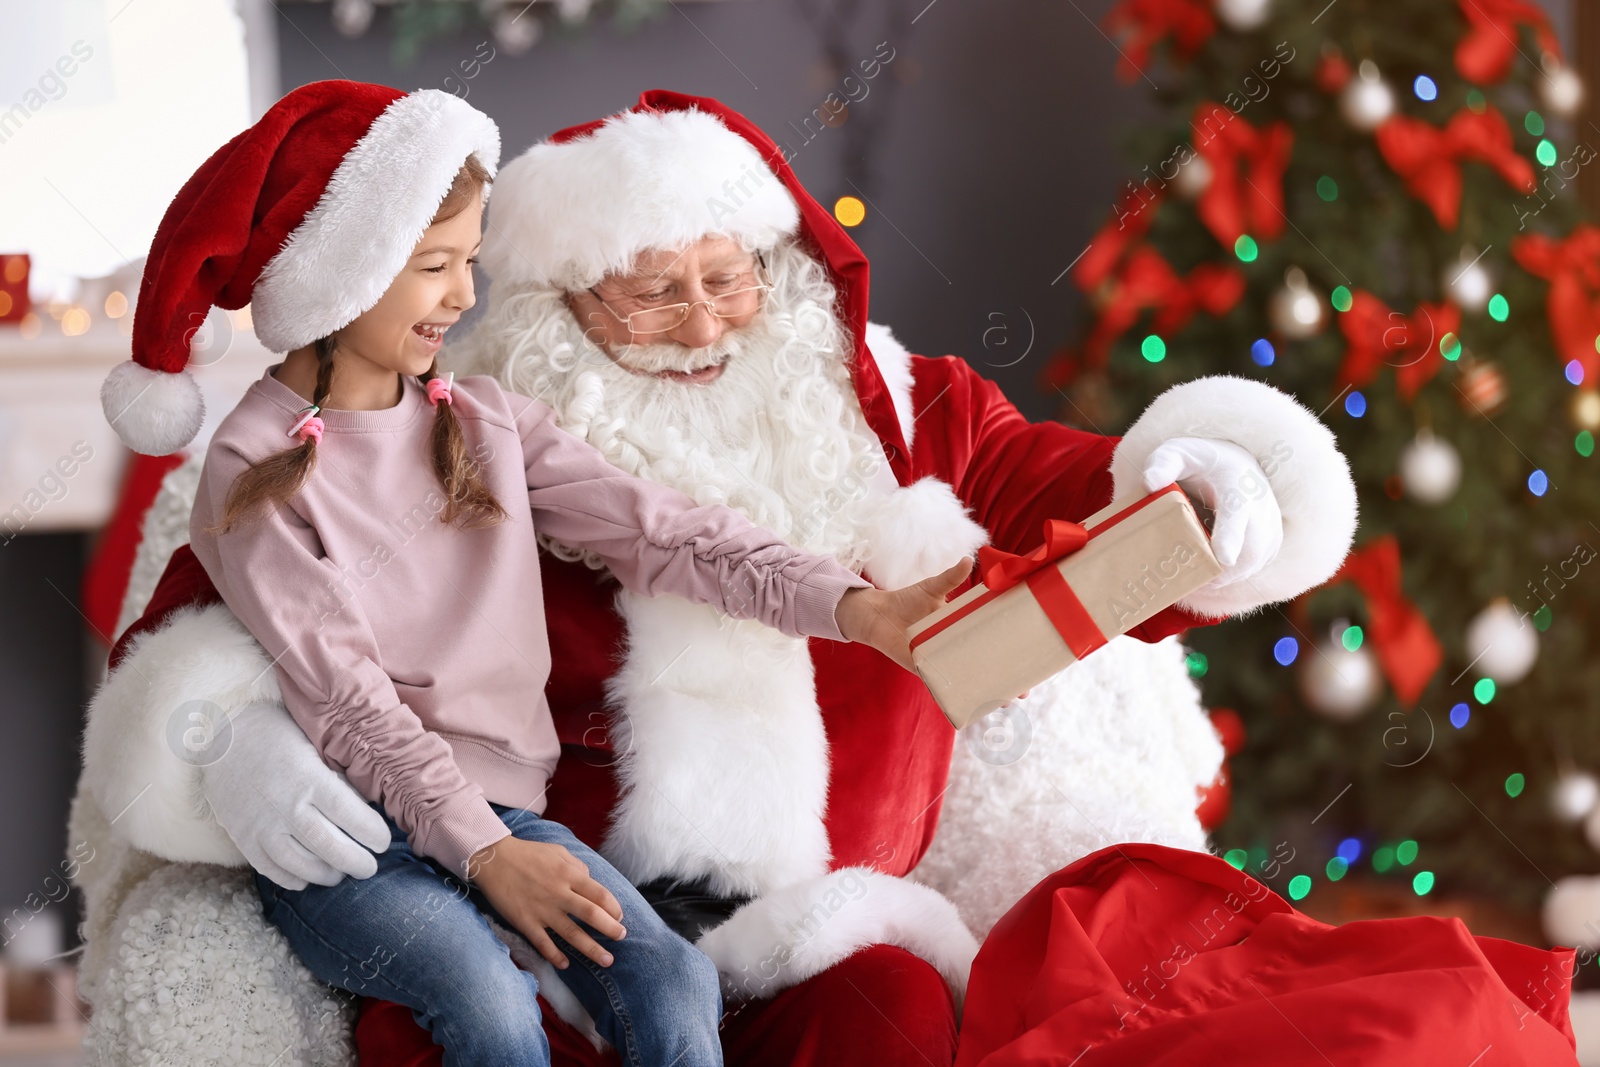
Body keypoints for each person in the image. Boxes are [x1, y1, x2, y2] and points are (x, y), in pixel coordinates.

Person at [76, 91, 1359, 1066]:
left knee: (889, 1017)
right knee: (454, 1006)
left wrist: (1200, 489)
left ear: (779, 268)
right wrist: (222, 742)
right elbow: (232, 637)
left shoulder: (884, 413)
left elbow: (682, 531)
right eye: (646, 295)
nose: (699, 324)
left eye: (726, 278)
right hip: (477, 850)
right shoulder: (353, 441)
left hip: (797, 914)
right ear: (562, 306)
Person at [94, 81, 970, 1067]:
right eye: (433, 267)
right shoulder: (253, 470)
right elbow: (348, 703)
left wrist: (854, 604)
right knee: (486, 999)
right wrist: (488, 857)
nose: (464, 297)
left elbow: (671, 534)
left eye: (467, 262)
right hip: (358, 845)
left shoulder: (484, 424)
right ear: (345, 274)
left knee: (668, 976)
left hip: (500, 817)